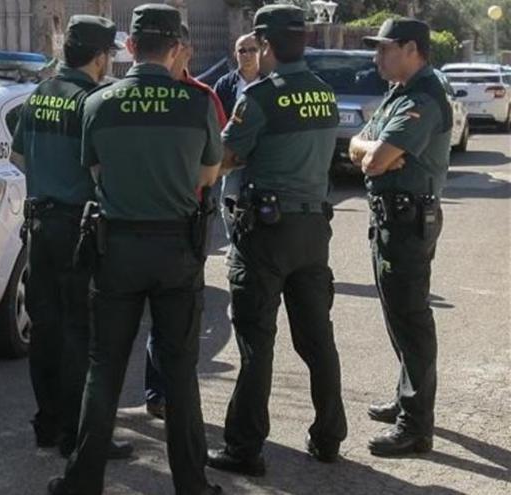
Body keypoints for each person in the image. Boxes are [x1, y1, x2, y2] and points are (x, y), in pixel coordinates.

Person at [48, 4, 223, 494]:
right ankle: (192, 485)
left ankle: (82, 481)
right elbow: (208, 177)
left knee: (103, 370)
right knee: (181, 373)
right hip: (176, 250)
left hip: (116, 248)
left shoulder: (99, 103)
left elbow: (96, 172)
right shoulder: (197, 104)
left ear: (129, 47)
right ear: (176, 49)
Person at [206, 4, 348, 477]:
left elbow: (226, 158)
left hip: (265, 234)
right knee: (318, 340)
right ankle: (329, 436)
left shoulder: (261, 98)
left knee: (255, 343)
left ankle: (245, 448)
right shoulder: (326, 94)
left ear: (265, 44)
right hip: (313, 232)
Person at [9, 15, 133, 461]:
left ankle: (47, 424)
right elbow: (102, 172)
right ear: (100, 57)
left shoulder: (39, 94)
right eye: (108, 57)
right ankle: (78, 436)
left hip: (39, 226)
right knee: (82, 333)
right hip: (80, 228)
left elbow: (20, 157)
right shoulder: (93, 101)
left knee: (46, 329)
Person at [350, 18, 451, 457]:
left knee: (411, 319)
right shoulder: (401, 94)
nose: (377, 57)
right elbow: (363, 147)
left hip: (408, 221)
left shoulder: (423, 97)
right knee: (397, 314)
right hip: (393, 217)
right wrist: (370, 151)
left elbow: (377, 158)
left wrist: (374, 155)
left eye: (384, 48)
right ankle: (407, 397)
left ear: (412, 49)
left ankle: (416, 426)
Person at [144, 22, 227, 422]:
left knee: (178, 317)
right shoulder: (133, 96)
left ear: (186, 52)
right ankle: (158, 390)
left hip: (185, 221)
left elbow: (214, 165)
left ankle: (169, 391)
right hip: (139, 221)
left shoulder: (203, 97)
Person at [214, 33, 260, 238]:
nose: (247, 55)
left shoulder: (270, 81)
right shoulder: (225, 84)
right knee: (229, 200)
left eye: (252, 50)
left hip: (262, 155)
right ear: (235, 54)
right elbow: (216, 118)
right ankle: (234, 242)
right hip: (233, 157)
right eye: (242, 50)